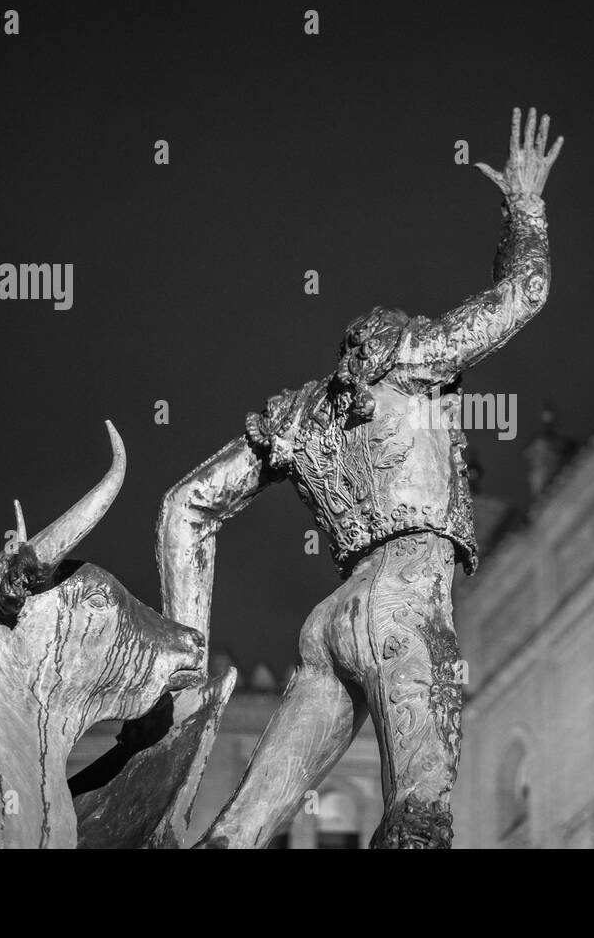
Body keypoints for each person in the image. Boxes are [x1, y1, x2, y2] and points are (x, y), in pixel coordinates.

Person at [158, 107, 562, 848]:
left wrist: (183, 679)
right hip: (406, 612)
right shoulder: (411, 360)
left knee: (234, 835)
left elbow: (185, 504)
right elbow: (523, 295)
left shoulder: (302, 415)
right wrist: (525, 208)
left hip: (329, 629)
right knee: (420, 817)